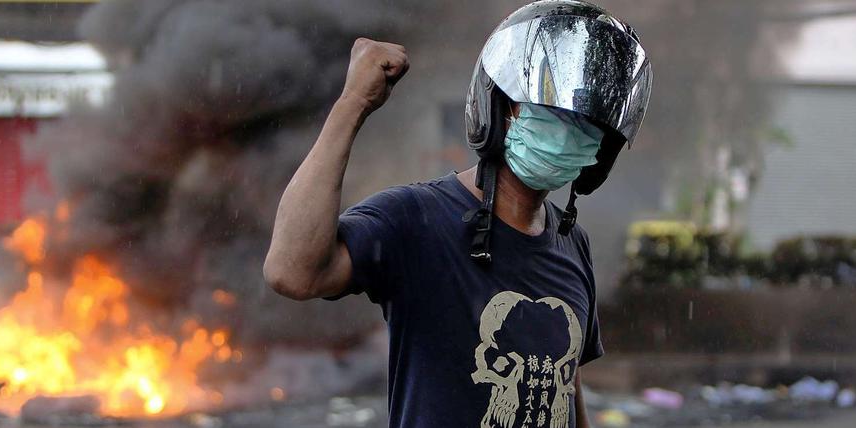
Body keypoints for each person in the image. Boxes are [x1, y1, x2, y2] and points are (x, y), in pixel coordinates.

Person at [264, 1, 652, 427]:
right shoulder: (416, 219)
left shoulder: (572, 243)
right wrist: (352, 104)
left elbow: (566, 386)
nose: (567, 135)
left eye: (587, 126)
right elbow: (292, 272)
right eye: (553, 114)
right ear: (499, 109)